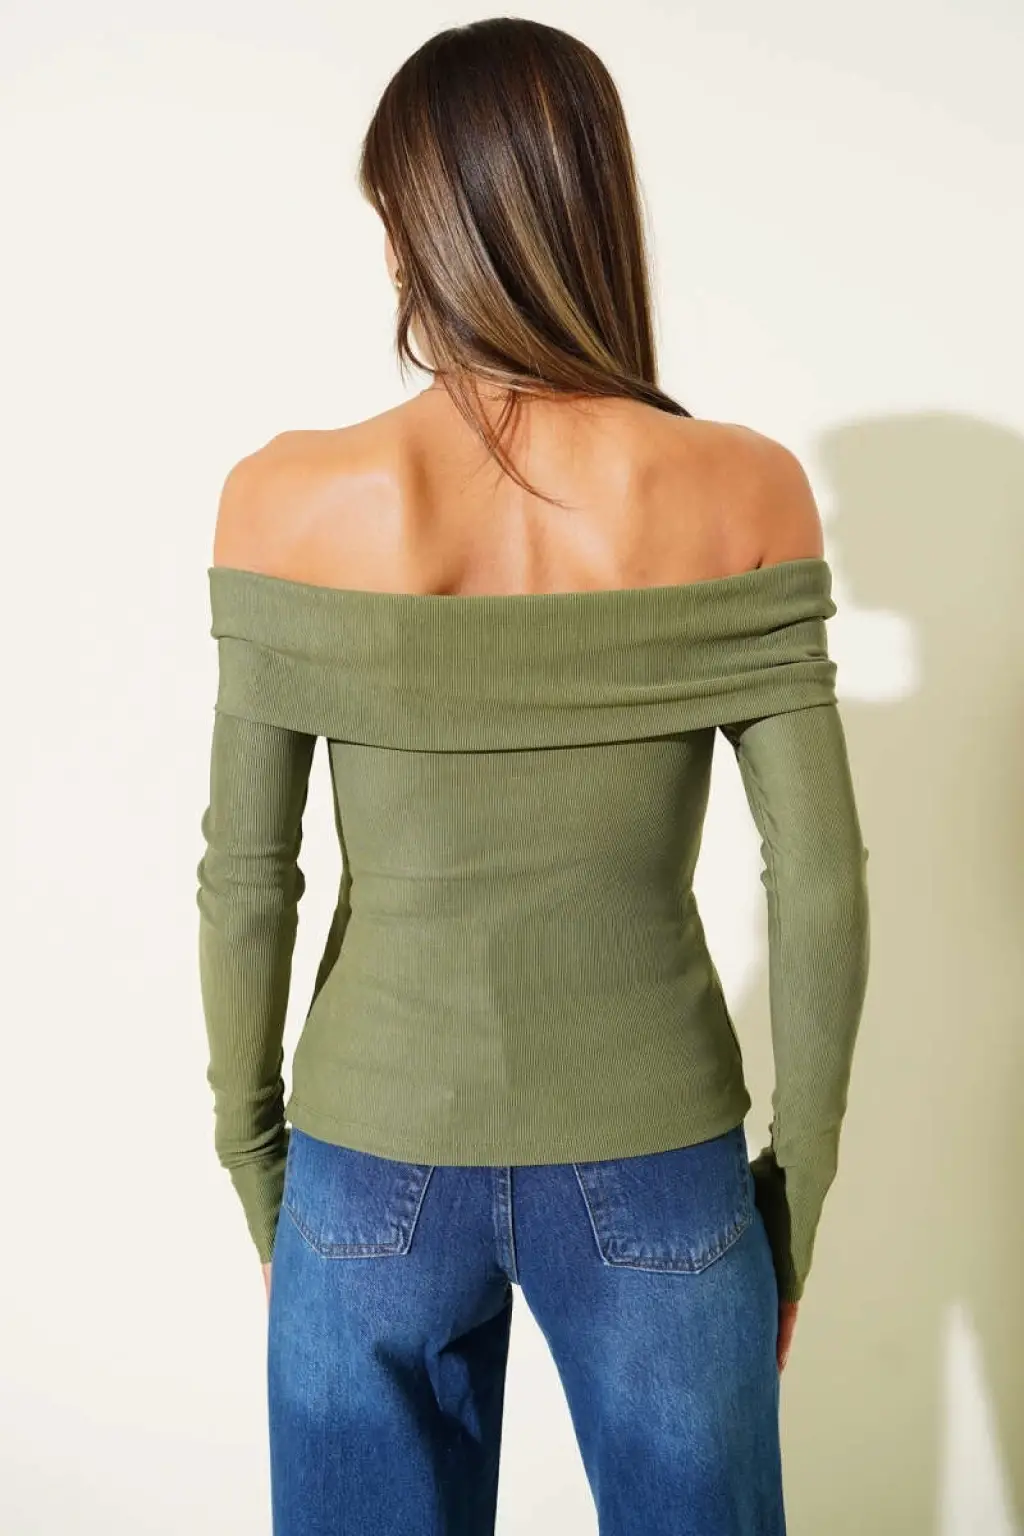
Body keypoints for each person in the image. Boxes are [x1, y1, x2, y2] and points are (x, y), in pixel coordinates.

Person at [195, 17, 870, 1536]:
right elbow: (820, 878)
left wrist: (258, 1164)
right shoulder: (744, 490)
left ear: (411, 231)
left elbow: (246, 877)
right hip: (662, 1165)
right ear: (594, 209)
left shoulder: (286, 498)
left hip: (369, 1167)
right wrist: (797, 1195)